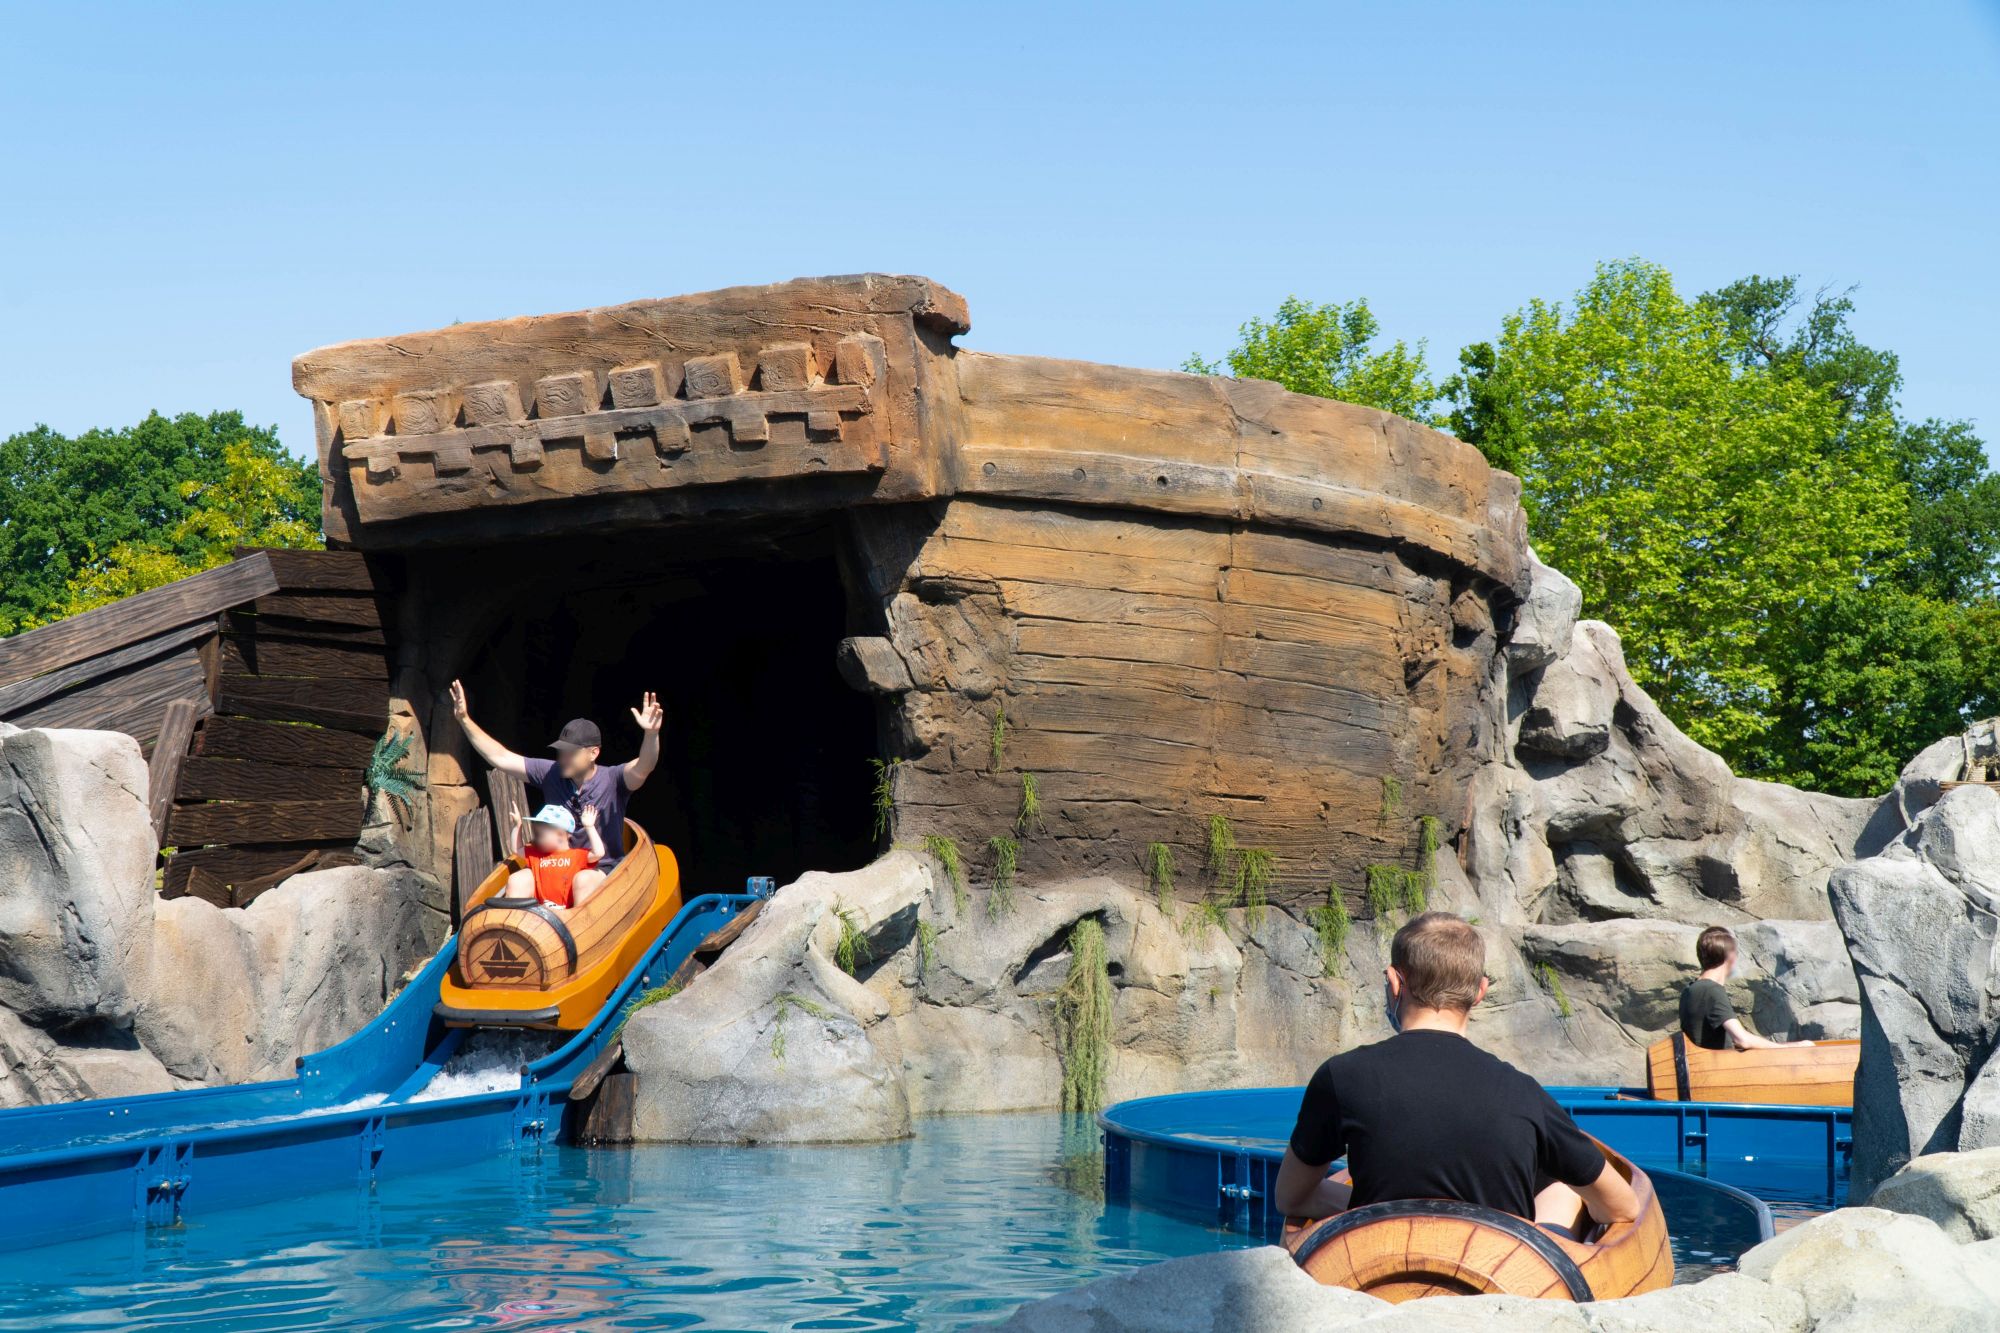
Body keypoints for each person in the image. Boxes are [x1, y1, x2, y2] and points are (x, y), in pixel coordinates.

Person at [1273, 912, 1639, 1234]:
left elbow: (1291, 1198)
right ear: (1480, 992)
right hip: (1494, 1282)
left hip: (1379, 1270)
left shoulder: (1341, 1077)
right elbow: (1622, 1207)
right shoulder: (1523, 1093)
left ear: (1394, 982)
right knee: (1562, 1187)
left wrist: (1372, 1210)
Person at [448, 680, 664, 867]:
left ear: (593, 753)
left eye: (571, 753)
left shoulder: (613, 779)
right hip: (556, 866)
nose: (563, 758)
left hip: (600, 870)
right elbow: (501, 757)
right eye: (561, 752)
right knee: (518, 882)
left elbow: (644, 766)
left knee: (584, 882)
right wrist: (464, 720)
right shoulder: (551, 772)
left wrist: (651, 734)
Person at [1680, 926, 1816, 1052]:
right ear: (1731, 957)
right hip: (1719, 1073)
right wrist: (1792, 1048)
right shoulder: (1711, 990)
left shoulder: (1690, 989)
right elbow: (1742, 1039)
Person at [509, 804, 608, 908]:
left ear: (561, 834)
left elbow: (599, 853)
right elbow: (517, 849)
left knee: (583, 879)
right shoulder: (536, 854)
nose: (537, 837)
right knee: (516, 879)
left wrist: (590, 827)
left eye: (541, 834)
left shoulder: (576, 855)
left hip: (569, 912)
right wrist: (518, 825)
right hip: (543, 912)